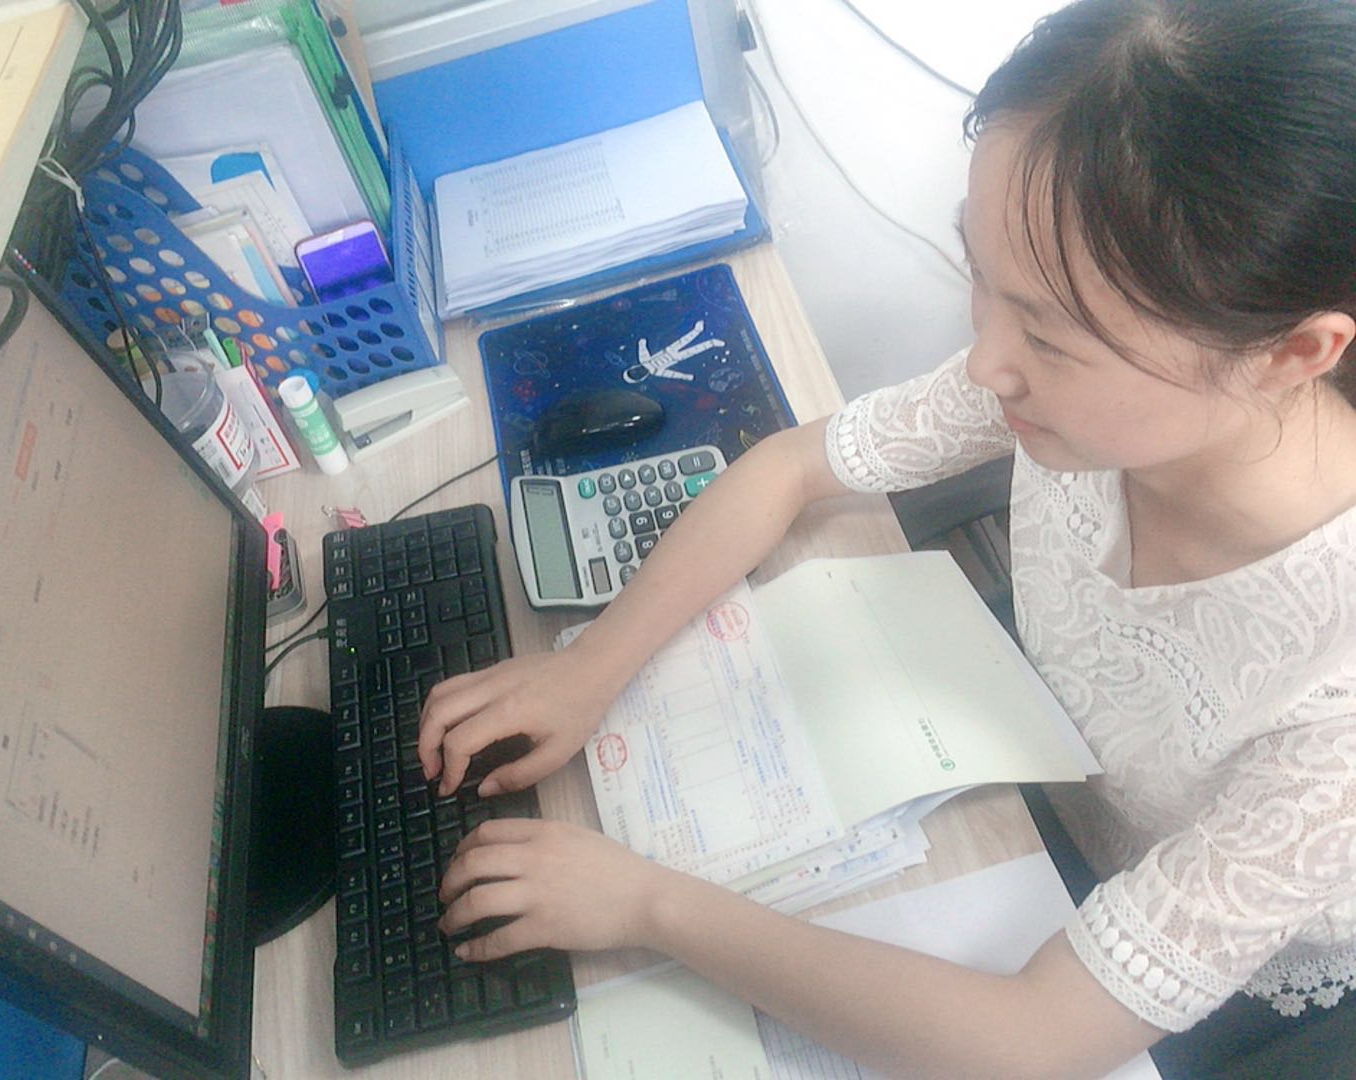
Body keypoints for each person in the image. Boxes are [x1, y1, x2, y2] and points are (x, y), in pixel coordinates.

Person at [418, 0, 1356, 1074]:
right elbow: (789, 466)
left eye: (1051, 337)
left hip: (1209, 977)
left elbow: (1034, 1041)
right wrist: (588, 671)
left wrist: (647, 904)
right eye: (981, 278)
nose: (987, 361)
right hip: (1050, 779)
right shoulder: (1074, 398)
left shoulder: (1338, 704)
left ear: (1292, 355)